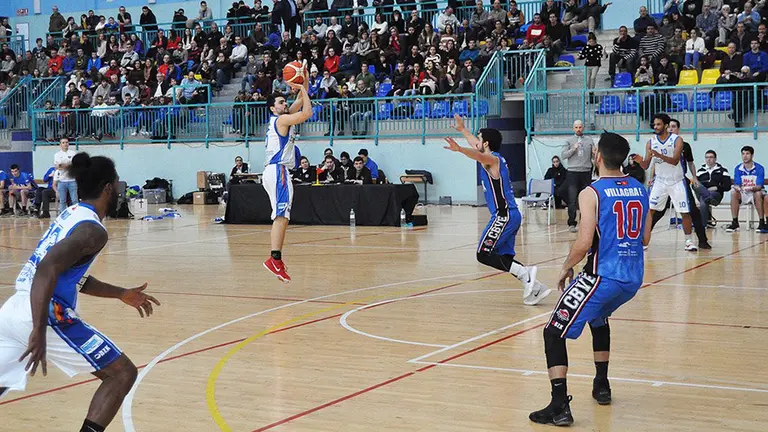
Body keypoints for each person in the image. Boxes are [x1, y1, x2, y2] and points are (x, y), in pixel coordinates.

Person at [0, 153, 160, 432]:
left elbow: (70, 275)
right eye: (117, 184)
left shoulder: (72, 213)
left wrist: (121, 293)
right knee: (122, 374)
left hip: (14, 309)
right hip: (43, 312)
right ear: (108, 188)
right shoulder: (92, 230)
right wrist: (38, 328)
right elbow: (47, 268)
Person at [529, 132, 650, 426]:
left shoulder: (591, 192)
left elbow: (583, 243)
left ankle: (559, 406)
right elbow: (644, 238)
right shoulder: (639, 188)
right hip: (632, 278)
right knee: (598, 318)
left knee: (553, 331)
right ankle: (602, 384)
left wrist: (565, 267)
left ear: (596, 156)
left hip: (602, 275)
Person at [444, 114, 551, 305]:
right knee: (503, 257)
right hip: (510, 214)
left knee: (483, 254)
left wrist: (459, 149)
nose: (476, 140)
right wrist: (462, 130)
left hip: (504, 216)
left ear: (486, 143)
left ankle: (527, 274)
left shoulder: (492, 160)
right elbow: (477, 147)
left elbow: (477, 154)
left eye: (479, 138)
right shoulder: (494, 157)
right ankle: (536, 287)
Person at [262, 69, 312, 283]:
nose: (285, 104)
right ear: (274, 107)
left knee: (282, 216)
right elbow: (307, 113)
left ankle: (275, 260)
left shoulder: (282, 118)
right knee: (281, 216)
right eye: (282, 102)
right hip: (278, 170)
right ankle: (274, 259)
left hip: (275, 171)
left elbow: (302, 100)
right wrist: (300, 87)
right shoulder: (281, 121)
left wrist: (305, 77)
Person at [632, 113, 697, 251]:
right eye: (654, 124)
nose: (655, 127)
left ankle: (689, 241)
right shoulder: (650, 142)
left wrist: (658, 155)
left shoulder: (677, 140)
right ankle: (644, 241)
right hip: (660, 182)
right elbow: (646, 165)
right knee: (649, 210)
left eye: (658, 124)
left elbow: (674, 161)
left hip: (677, 181)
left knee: (684, 212)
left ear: (666, 126)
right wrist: (639, 161)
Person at [646, 119, 711, 249]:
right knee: (655, 212)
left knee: (691, 210)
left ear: (678, 129)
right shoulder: (654, 142)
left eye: (674, 127)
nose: (671, 129)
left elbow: (690, 163)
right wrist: (651, 177)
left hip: (679, 181)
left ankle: (701, 240)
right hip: (661, 181)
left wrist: (694, 177)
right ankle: (644, 238)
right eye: (669, 126)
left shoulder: (683, 144)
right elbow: (655, 163)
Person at [562, 120, 596, 232]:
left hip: (586, 171)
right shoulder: (569, 141)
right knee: (572, 199)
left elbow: (593, 155)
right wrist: (573, 148)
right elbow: (563, 155)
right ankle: (572, 223)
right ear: (573, 128)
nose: (578, 129)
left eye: (580, 127)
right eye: (576, 127)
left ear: (583, 128)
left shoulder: (589, 140)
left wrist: (595, 154)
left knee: (586, 199)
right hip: (573, 172)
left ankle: (585, 222)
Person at [725, 146, 765, 232]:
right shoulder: (738, 168)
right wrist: (738, 188)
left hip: (755, 192)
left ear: (752, 155)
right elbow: (737, 184)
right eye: (743, 154)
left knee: (758, 193)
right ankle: (735, 222)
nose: (745, 156)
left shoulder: (759, 168)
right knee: (733, 193)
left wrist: (750, 187)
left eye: (747, 153)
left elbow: (759, 186)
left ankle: (761, 222)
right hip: (744, 193)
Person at [694, 150, 731, 228]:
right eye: (707, 157)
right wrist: (706, 190)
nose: (709, 159)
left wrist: (717, 187)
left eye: (711, 157)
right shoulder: (700, 171)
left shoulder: (722, 171)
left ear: (715, 159)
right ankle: (708, 197)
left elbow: (727, 186)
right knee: (695, 185)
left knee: (703, 200)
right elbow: (696, 185)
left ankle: (702, 226)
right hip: (703, 193)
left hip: (716, 194)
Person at [54, 137, 78, 213]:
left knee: (74, 200)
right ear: (60, 144)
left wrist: (63, 165)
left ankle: (76, 214)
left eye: (67, 142)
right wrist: (68, 164)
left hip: (72, 180)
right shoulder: (57, 155)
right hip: (62, 180)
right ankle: (63, 216)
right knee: (62, 201)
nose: (65, 144)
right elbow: (58, 167)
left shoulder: (73, 153)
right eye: (63, 142)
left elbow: (74, 165)